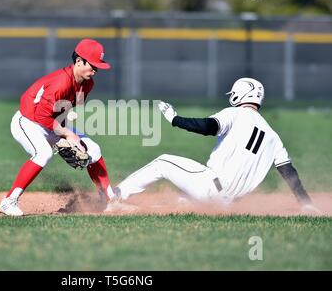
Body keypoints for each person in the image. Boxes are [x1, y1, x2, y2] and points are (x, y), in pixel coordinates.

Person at [106, 77, 321, 215]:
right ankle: (129, 210)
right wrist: (305, 203)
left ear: (239, 95)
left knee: (162, 162)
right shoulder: (274, 137)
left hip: (211, 186)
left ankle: (116, 194)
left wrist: (175, 119)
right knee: (181, 205)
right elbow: (289, 173)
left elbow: (208, 126)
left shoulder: (235, 113)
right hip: (228, 206)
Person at [0, 38, 116, 216]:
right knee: (43, 153)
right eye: (92, 65)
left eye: (97, 66)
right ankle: (9, 201)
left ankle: (108, 200)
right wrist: (67, 134)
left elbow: (62, 110)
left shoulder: (87, 84)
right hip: (28, 122)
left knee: (93, 149)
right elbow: (41, 116)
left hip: (51, 123)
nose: (95, 70)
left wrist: (67, 130)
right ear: (78, 61)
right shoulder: (60, 83)